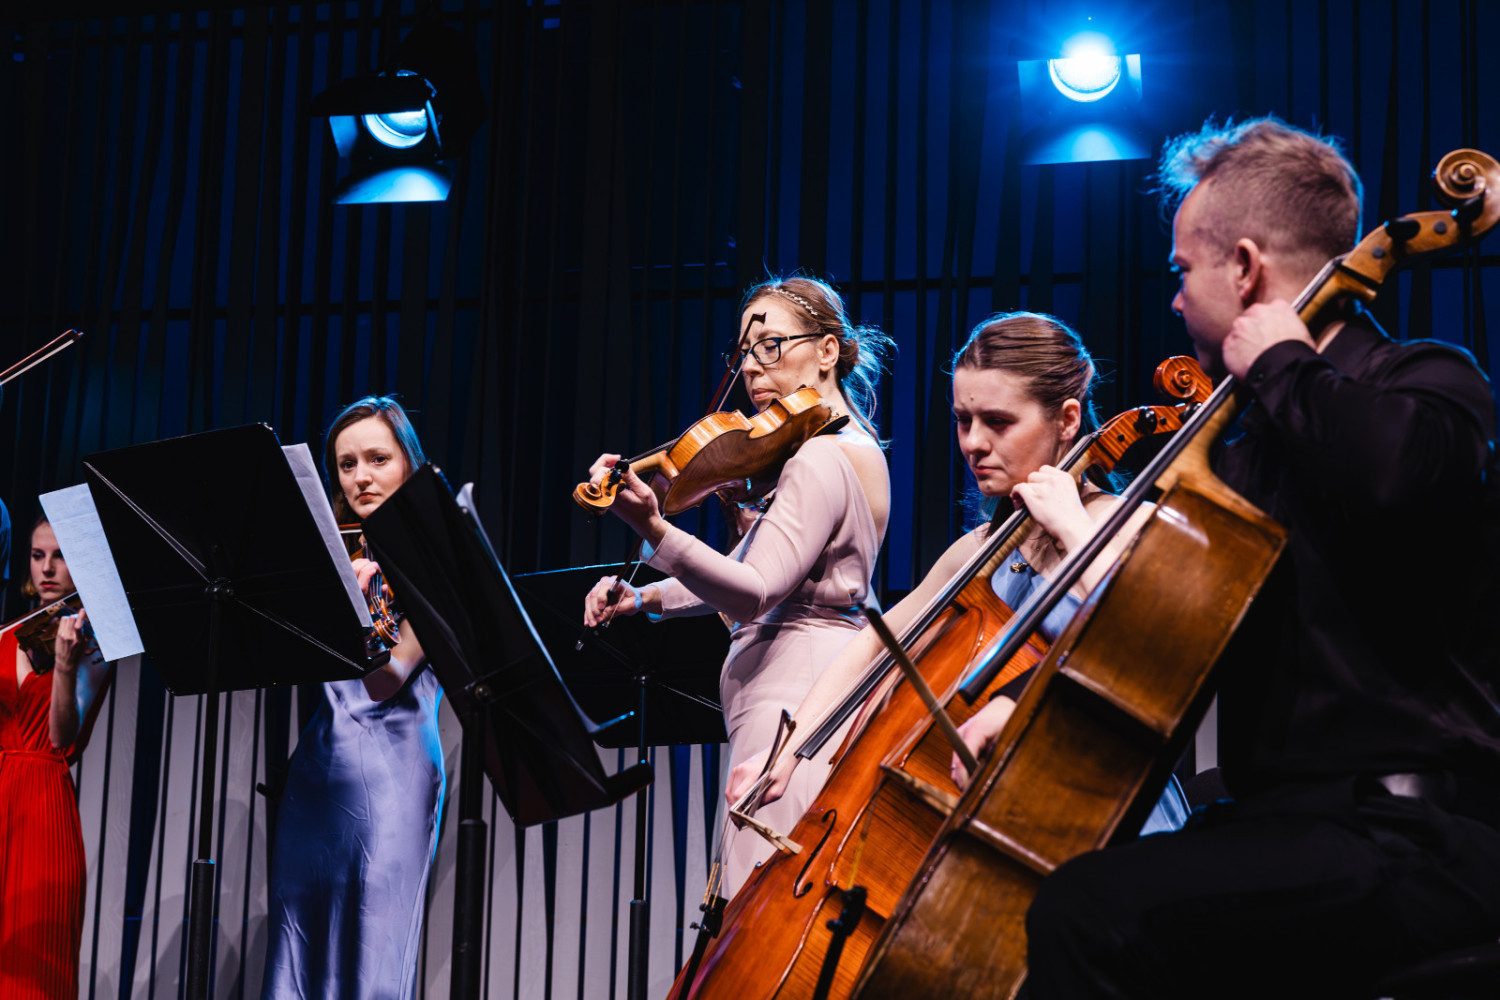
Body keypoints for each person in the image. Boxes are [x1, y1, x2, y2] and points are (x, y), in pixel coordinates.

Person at [1023, 118, 1500, 998]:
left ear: (1244, 269)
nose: (1172, 301)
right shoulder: (1236, 461)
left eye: (1182, 272)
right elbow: (1169, 650)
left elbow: (1396, 475)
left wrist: (1281, 361)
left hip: (1417, 835)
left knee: (1089, 913)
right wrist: (1024, 719)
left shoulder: (1428, 379)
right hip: (1287, 832)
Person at [726, 312, 1187, 836]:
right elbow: (873, 647)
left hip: (1116, 821)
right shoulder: (977, 552)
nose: (972, 443)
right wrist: (791, 748)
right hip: (1002, 832)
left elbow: (1143, 640)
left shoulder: (1127, 523)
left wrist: (1071, 526)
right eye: (964, 421)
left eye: (998, 421)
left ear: (1067, 420)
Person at [581, 275, 893, 894]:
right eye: (745, 352)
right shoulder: (833, 449)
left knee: (763, 903)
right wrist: (645, 597)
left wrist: (651, 524)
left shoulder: (821, 456)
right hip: (792, 696)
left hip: (794, 696)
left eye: (771, 345)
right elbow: (756, 562)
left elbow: (754, 588)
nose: (751, 367)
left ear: (827, 351)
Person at [261, 397, 445, 1000]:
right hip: (319, 772)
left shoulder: (439, 556)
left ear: (409, 465)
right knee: (297, 953)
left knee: (375, 956)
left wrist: (356, 607)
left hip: (394, 775)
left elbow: (386, 679)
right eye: (345, 464)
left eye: (377, 458)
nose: (360, 476)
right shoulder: (333, 553)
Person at [1, 517, 112, 998]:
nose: (47, 568)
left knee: (33, 974)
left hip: (45, 807)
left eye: (61, 556)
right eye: (37, 555)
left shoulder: (96, 644)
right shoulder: (7, 634)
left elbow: (63, 740)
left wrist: (65, 668)